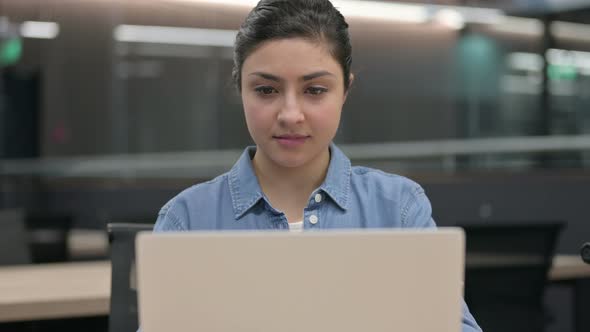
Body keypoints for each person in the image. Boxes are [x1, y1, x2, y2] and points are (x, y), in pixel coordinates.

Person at [151, 0, 481, 330]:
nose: (291, 114)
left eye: (315, 90)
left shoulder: (398, 209)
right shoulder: (188, 220)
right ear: (240, 89)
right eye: (266, 90)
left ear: (345, 90)